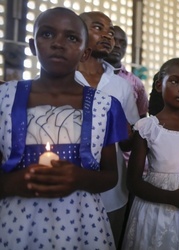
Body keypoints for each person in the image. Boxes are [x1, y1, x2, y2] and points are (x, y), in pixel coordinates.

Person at [0, 7, 128, 249]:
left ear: (85, 52)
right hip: (17, 221)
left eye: (71, 38)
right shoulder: (4, 99)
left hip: (82, 222)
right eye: (47, 34)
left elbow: (111, 176)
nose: (59, 44)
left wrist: (80, 177)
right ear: (32, 45)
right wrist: (10, 184)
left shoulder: (105, 106)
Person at [122, 58, 179, 249]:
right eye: (175, 81)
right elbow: (133, 182)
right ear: (159, 85)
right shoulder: (147, 128)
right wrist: (170, 198)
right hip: (154, 211)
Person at [77, 11, 140, 247]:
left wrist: (131, 132)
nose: (107, 35)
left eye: (110, 31)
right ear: (78, 32)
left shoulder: (120, 85)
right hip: (71, 187)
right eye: (98, 28)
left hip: (112, 192)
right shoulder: (62, 77)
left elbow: (127, 142)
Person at [105, 25, 148, 118]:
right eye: (114, 40)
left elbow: (142, 118)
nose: (118, 45)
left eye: (123, 43)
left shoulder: (136, 83)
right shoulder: (90, 75)